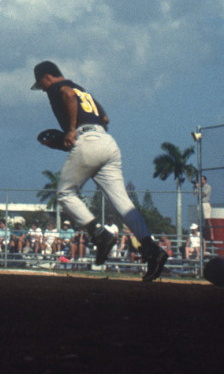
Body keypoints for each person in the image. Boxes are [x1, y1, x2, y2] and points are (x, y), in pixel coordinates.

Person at [31, 61, 166, 281]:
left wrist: (72, 130)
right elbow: (104, 118)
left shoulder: (59, 87)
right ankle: (152, 249)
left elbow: (67, 95)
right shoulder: (82, 89)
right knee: (123, 204)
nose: (43, 89)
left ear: (47, 77)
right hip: (107, 141)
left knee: (65, 194)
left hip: (88, 139)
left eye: (42, 84)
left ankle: (99, 234)